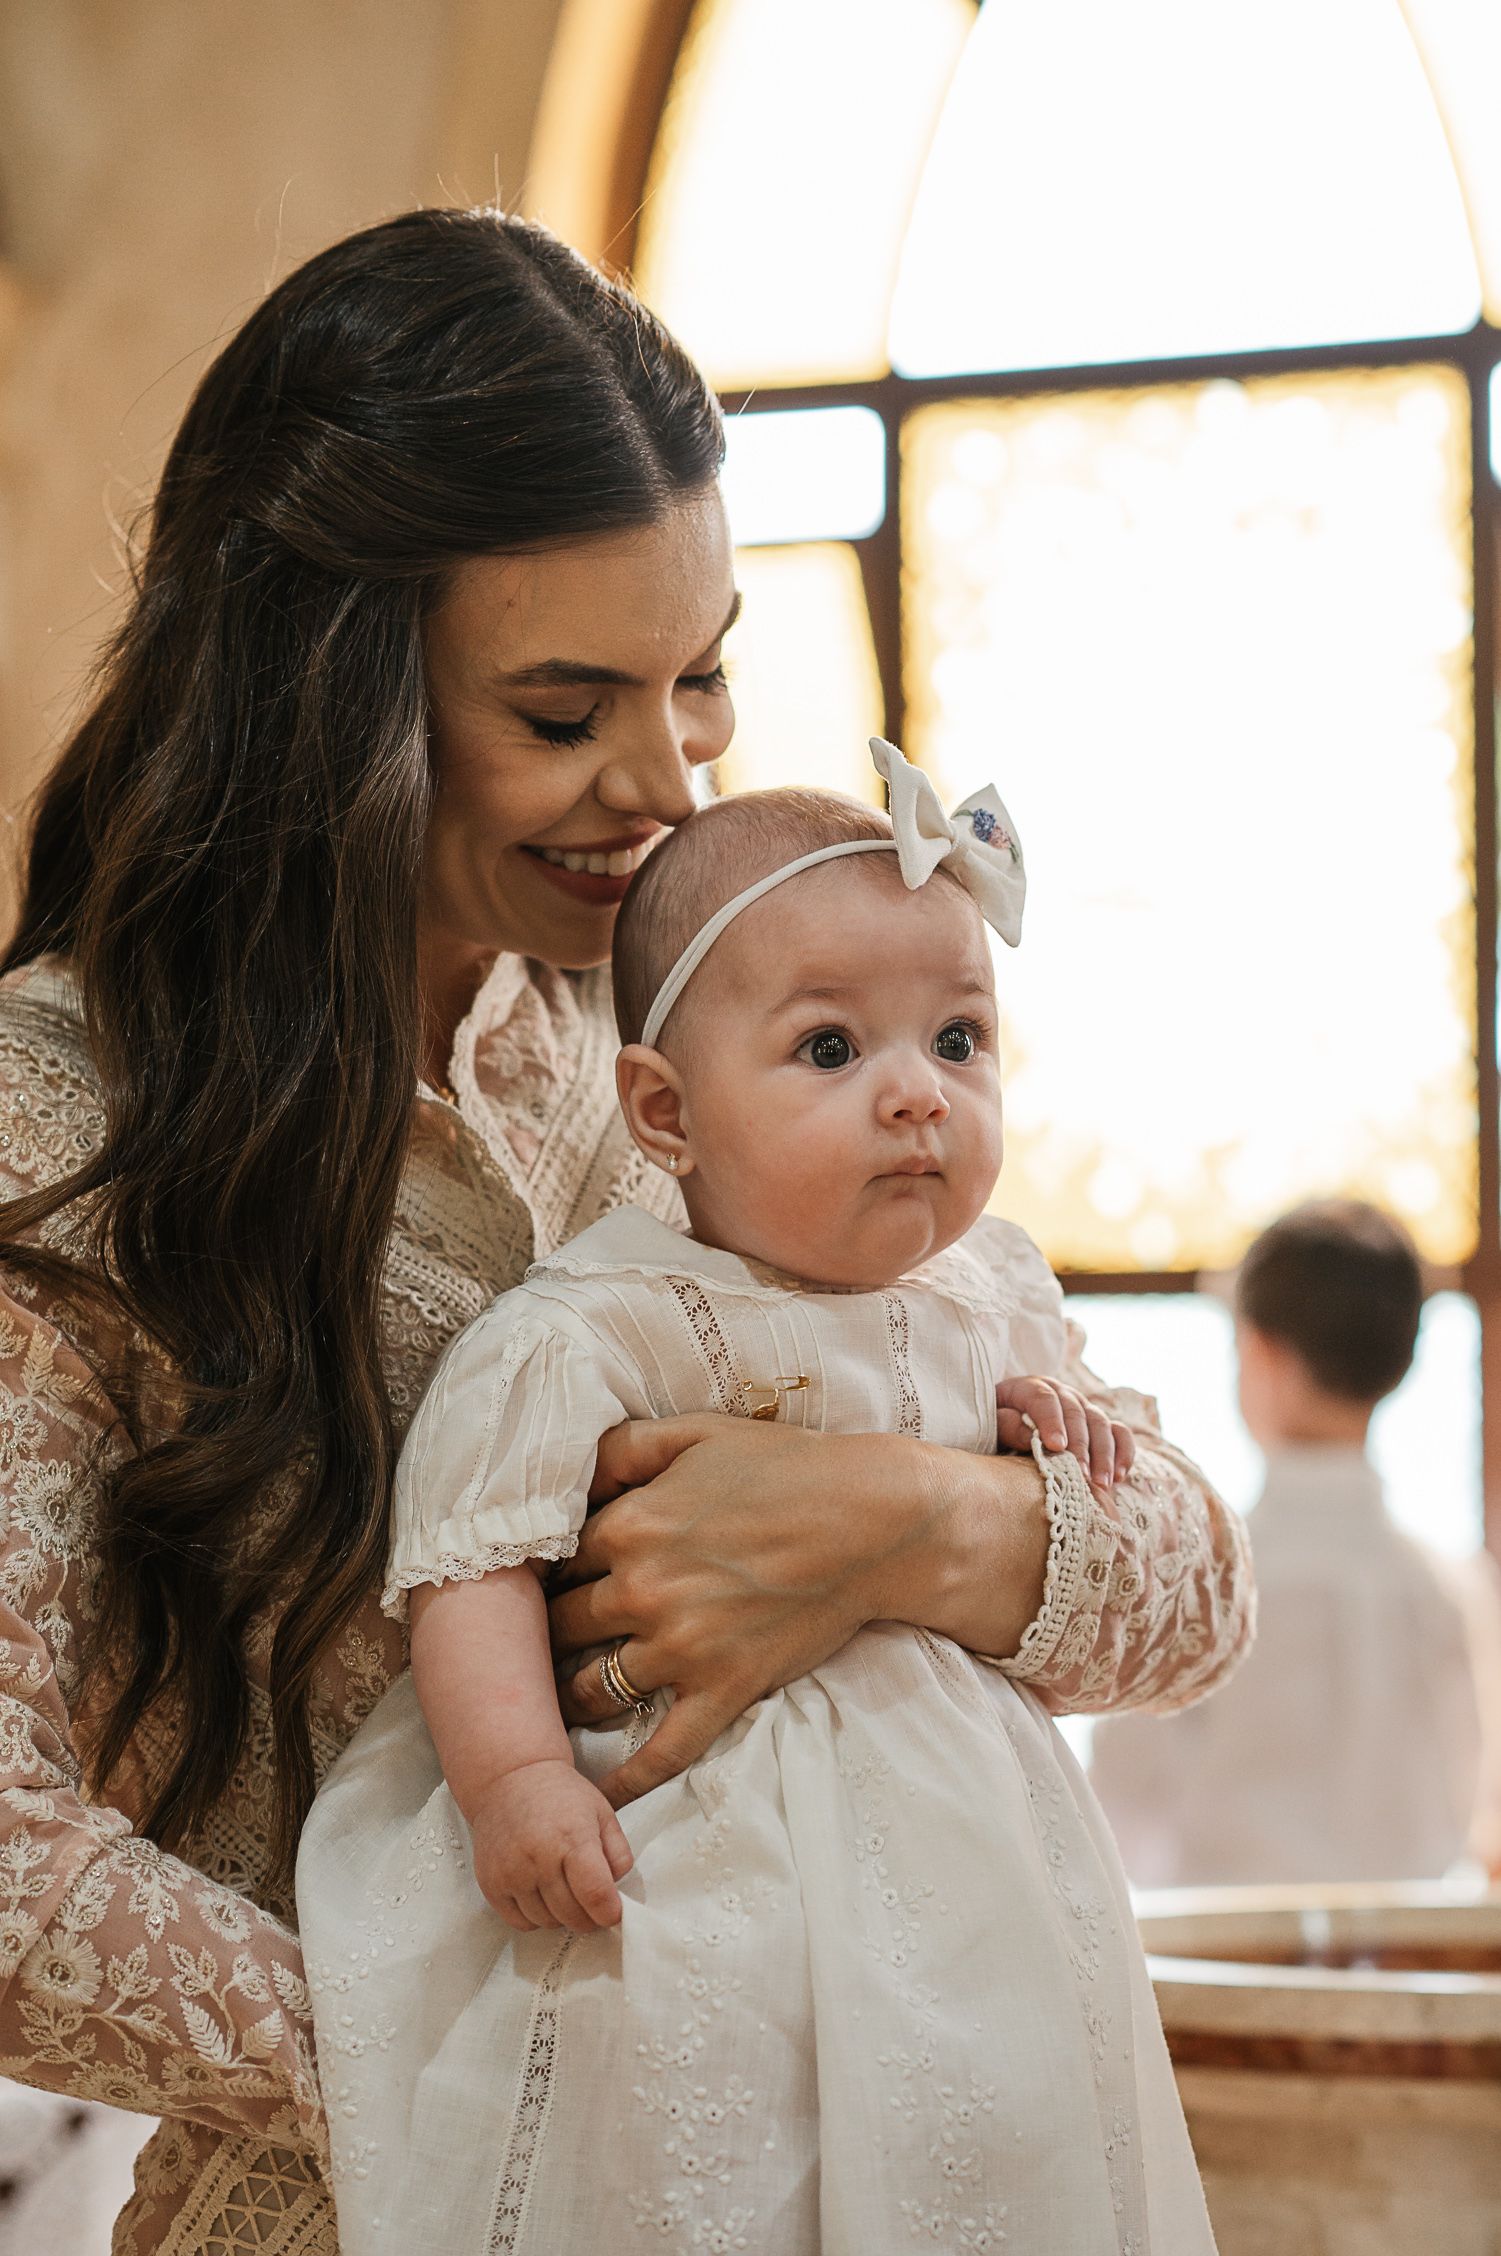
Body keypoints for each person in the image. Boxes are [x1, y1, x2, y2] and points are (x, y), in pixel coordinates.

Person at [0, 208, 1252, 2256]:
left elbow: (1194, 1595)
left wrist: (903, 1524)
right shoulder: (58, 1121)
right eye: (566, 710)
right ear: (327, 693)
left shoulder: (705, 1025)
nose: (664, 784)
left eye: (703, 681)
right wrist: (545, 2074)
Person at [298, 742, 1221, 2255]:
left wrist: (1039, 1429)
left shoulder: (991, 1295)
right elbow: (471, 1565)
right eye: (830, 1052)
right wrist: (517, 1779)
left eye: (959, 1039)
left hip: (964, 1878)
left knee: (992, 2152)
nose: (919, 1097)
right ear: (662, 1115)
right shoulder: (593, 1328)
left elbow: (1115, 1524)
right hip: (688, 1858)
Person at [1091, 1198, 1489, 1888]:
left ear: (1257, 1352)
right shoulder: (1449, 1590)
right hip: (1409, 1970)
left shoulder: (1193, 1580)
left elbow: (1114, 1815)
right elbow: (1479, 1811)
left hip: (1224, 1977)